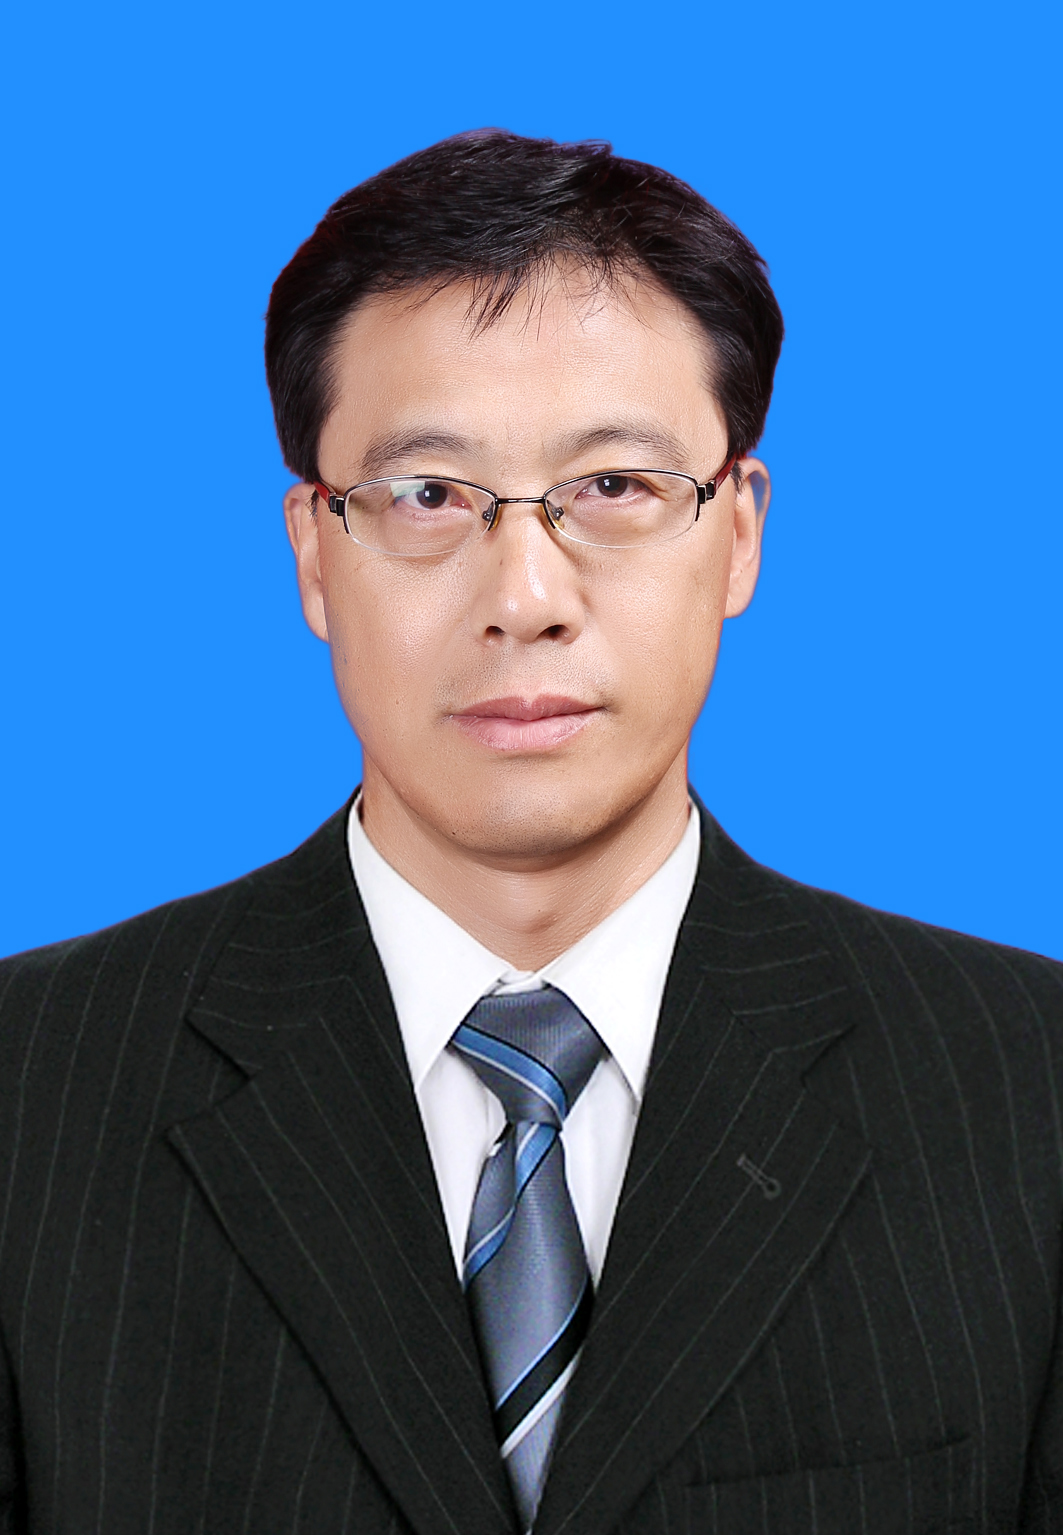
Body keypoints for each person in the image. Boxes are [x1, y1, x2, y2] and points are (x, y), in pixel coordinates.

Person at [0, 130, 1059, 1535]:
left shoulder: (1028, 1087)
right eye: (428, 496)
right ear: (314, 551)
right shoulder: (30, 1089)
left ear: (740, 533)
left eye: (613, 488)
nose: (525, 598)